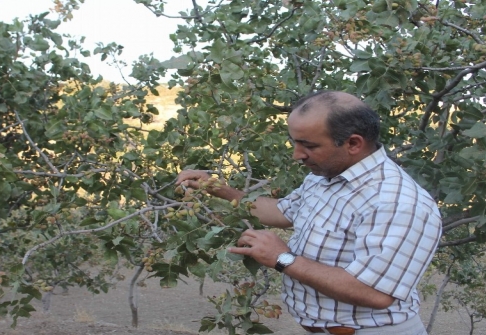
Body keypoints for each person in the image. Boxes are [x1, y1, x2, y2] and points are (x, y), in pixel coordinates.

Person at [176, 91, 442, 335]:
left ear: (353, 143)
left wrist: (282, 258)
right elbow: (281, 212)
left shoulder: (397, 202)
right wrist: (220, 189)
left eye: (309, 146)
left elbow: (374, 293)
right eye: (294, 142)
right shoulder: (324, 177)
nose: (297, 155)